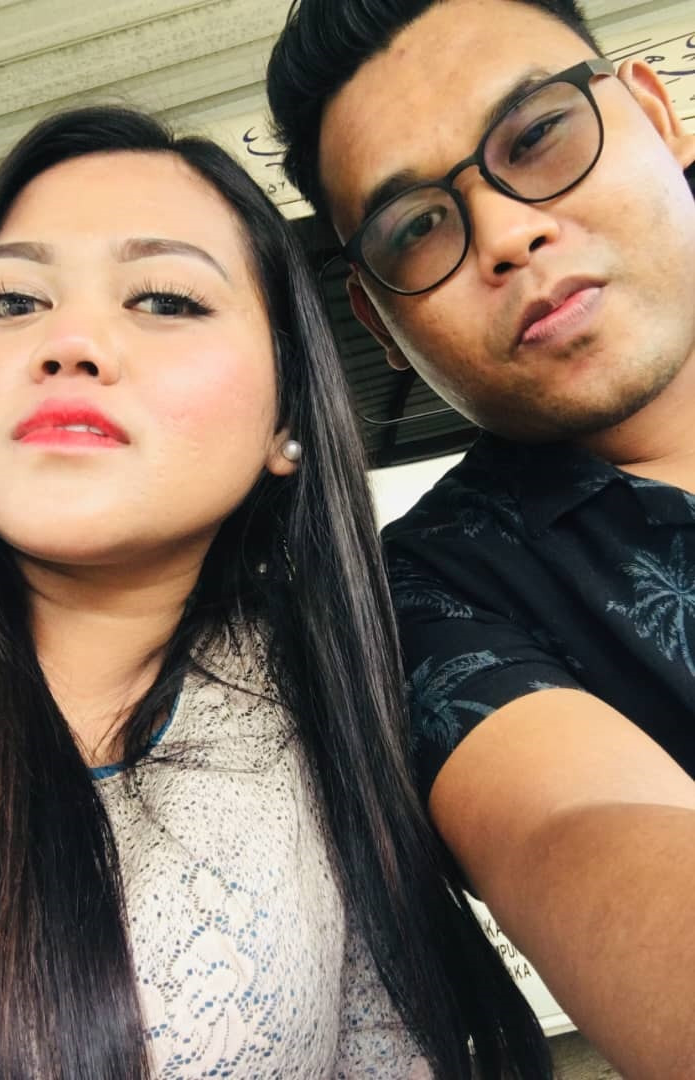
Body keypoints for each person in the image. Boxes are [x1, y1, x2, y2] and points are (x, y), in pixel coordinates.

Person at [0, 106, 551, 1078]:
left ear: (287, 420)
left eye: (164, 299)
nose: (68, 341)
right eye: (10, 300)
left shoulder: (331, 713)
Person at [267, 1, 695, 1076]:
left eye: (538, 134)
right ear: (379, 323)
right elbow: (576, 831)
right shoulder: (429, 604)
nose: (506, 237)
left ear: (656, 114)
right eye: (416, 228)